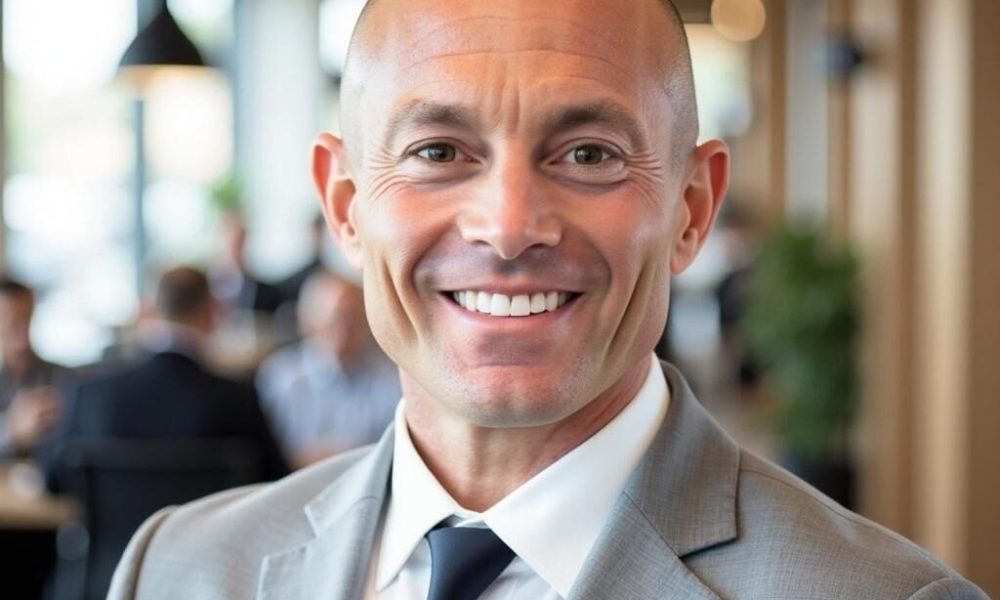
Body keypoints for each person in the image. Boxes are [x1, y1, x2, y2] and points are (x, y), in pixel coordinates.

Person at [109, 1, 988, 599]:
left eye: (589, 154)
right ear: (345, 206)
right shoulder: (178, 569)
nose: (508, 227)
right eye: (438, 152)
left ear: (691, 210)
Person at [46, 266, 288, 482]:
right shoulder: (239, 400)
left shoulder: (91, 394)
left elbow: (52, 477)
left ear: (151, 310)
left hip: (120, 522)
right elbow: (276, 480)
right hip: (203, 521)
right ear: (212, 312)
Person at [257, 271, 400, 468]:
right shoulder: (279, 376)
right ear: (308, 321)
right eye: (334, 318)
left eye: (354, 318)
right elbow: (267, 451)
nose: (344, 330)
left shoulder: (390, 377)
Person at [0, 278, 71, 458]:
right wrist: (11, 430)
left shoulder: (62, 378)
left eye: (27, 320)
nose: (23, 334)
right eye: (12, 323)